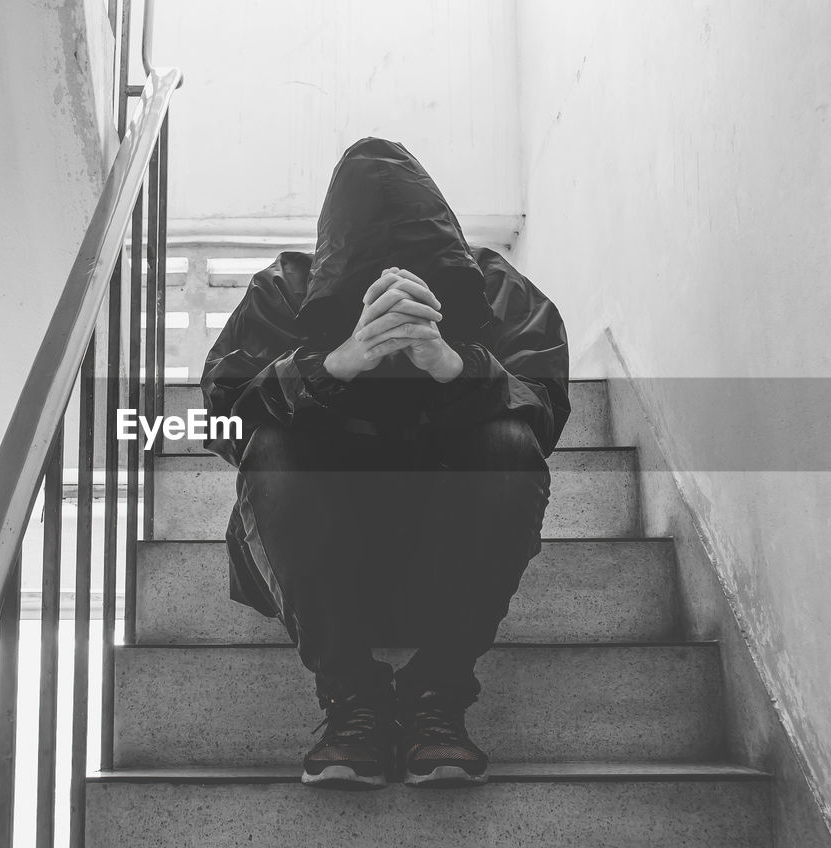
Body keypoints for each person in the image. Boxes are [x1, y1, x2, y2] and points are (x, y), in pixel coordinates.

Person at [200, 138, 570, 788]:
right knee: (272, 446)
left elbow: (542, 410)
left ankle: (437, 698)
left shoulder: (498, 289)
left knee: (510, 447)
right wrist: (336, 362)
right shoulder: (284, 291)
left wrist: (453, 365)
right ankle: (353, 701)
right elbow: (227, 420)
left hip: (446, 561)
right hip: (316, 566)